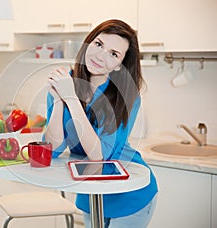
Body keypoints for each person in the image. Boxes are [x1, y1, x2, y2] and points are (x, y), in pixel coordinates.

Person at [44, 19, 158, 228]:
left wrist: (70, 98)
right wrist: (59, 101)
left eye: (114, 54)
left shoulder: (127, 97)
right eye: (98, 44)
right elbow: (52, 150)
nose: (100, 56)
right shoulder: (65, 83)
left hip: (129, 194)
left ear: (119, 66)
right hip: (92, 191)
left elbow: (99, 156)